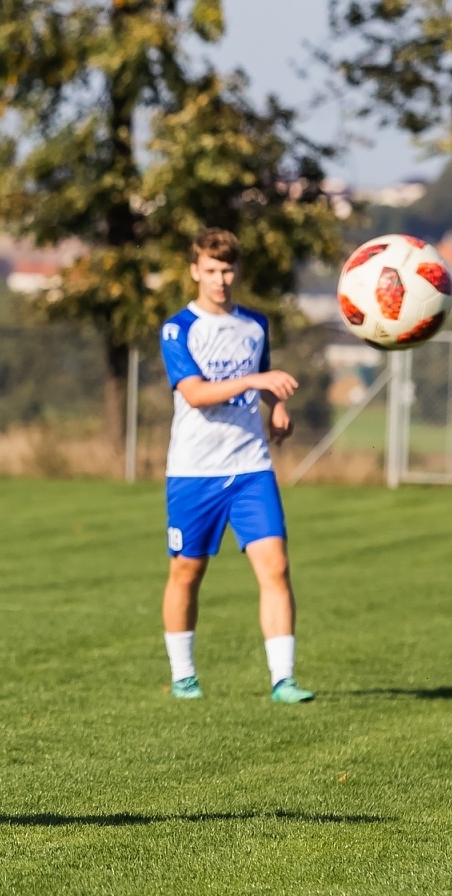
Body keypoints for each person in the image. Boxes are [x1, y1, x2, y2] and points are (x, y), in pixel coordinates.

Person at [158, 229, 314, 703]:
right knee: (187, 572)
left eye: (227, 270)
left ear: (237, 270)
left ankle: (283, 680)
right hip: (193, 471)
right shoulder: (178, 329)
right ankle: (184, 676)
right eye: (210, 270)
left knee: (276, 567)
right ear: (194, 271)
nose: (220, 280)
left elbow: (264, 382)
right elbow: (196, 394)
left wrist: (277, 407)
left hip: (250, 467)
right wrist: (255, 381)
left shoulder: (255, 325)